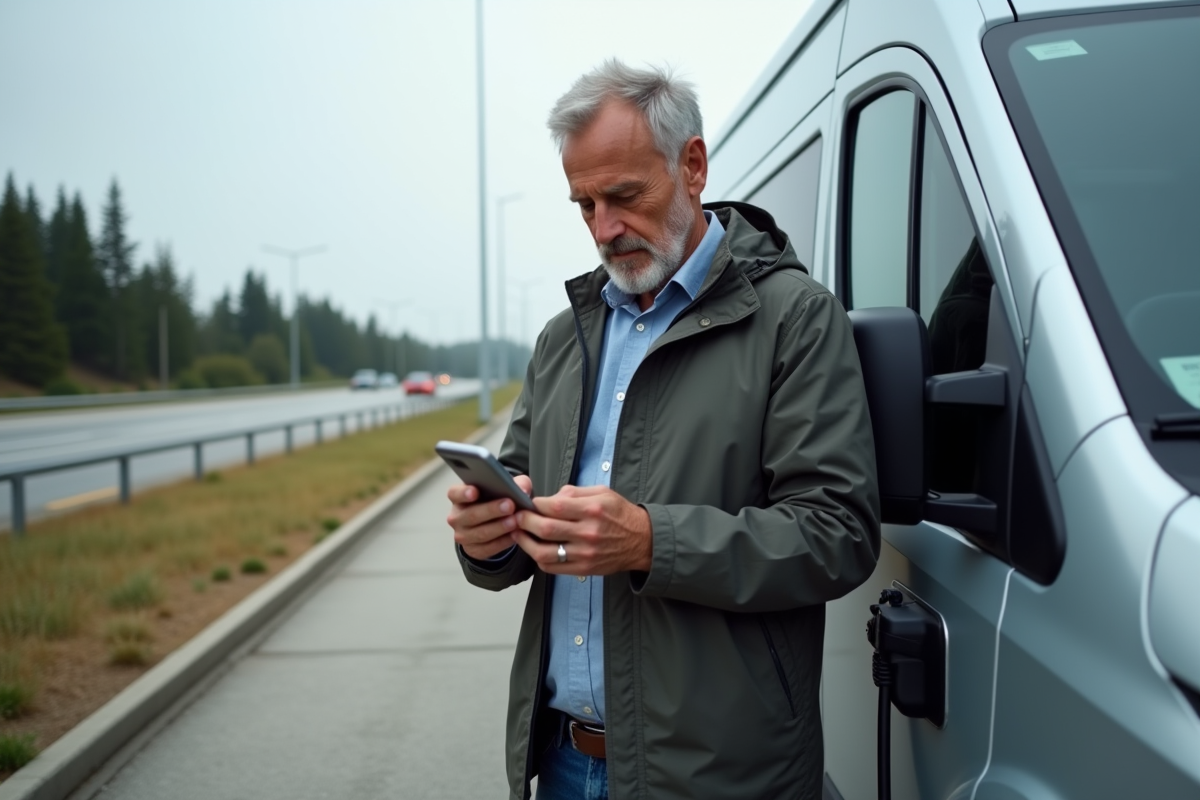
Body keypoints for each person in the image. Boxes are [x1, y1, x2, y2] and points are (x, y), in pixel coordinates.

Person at [446, 59, 880, 800]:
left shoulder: (795, 319)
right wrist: (485, 538)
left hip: (722, 777)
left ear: (693, 164)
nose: (604, 229)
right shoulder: (565, 338)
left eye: (624, 196)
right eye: (583, 204)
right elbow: (522, 507)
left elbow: (837, 534)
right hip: (562, 765)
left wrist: (651, 542)